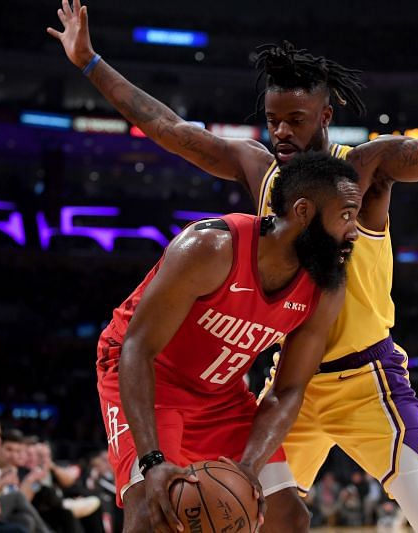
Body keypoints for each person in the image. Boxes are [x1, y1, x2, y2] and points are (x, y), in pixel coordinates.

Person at [48, 2, 418, 530]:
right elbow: (167, 127)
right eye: (273, 119)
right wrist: (90, 62)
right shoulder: (260, 172)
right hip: (292, 384)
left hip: (368, 380)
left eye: (296, 120)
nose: (281, 132)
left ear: (326, 114)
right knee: (250, 512)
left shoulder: (370, 168)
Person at [93, 152, 360, 532]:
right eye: (346, 216)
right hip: (148, 376)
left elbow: (287, 390)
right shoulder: (211, 249)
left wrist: (248, 467)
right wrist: (152, 461)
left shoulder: (325, 287)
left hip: (220, 394)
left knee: (288, 517)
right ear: (303, 211)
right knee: (153, 516)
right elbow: (138, 348)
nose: (354, 230)